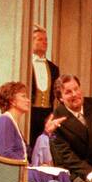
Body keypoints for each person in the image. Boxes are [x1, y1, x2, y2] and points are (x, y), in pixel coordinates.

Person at [27, 27, 60, 156]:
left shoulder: (54, 68)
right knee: (30, 145)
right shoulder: (26, 65)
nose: (45, 42)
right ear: (31, 42)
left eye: (46, 40)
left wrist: (52, 114)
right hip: (30, 112)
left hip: (47, 114)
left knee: (45, 147)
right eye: (40, 39)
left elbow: (57, 94)